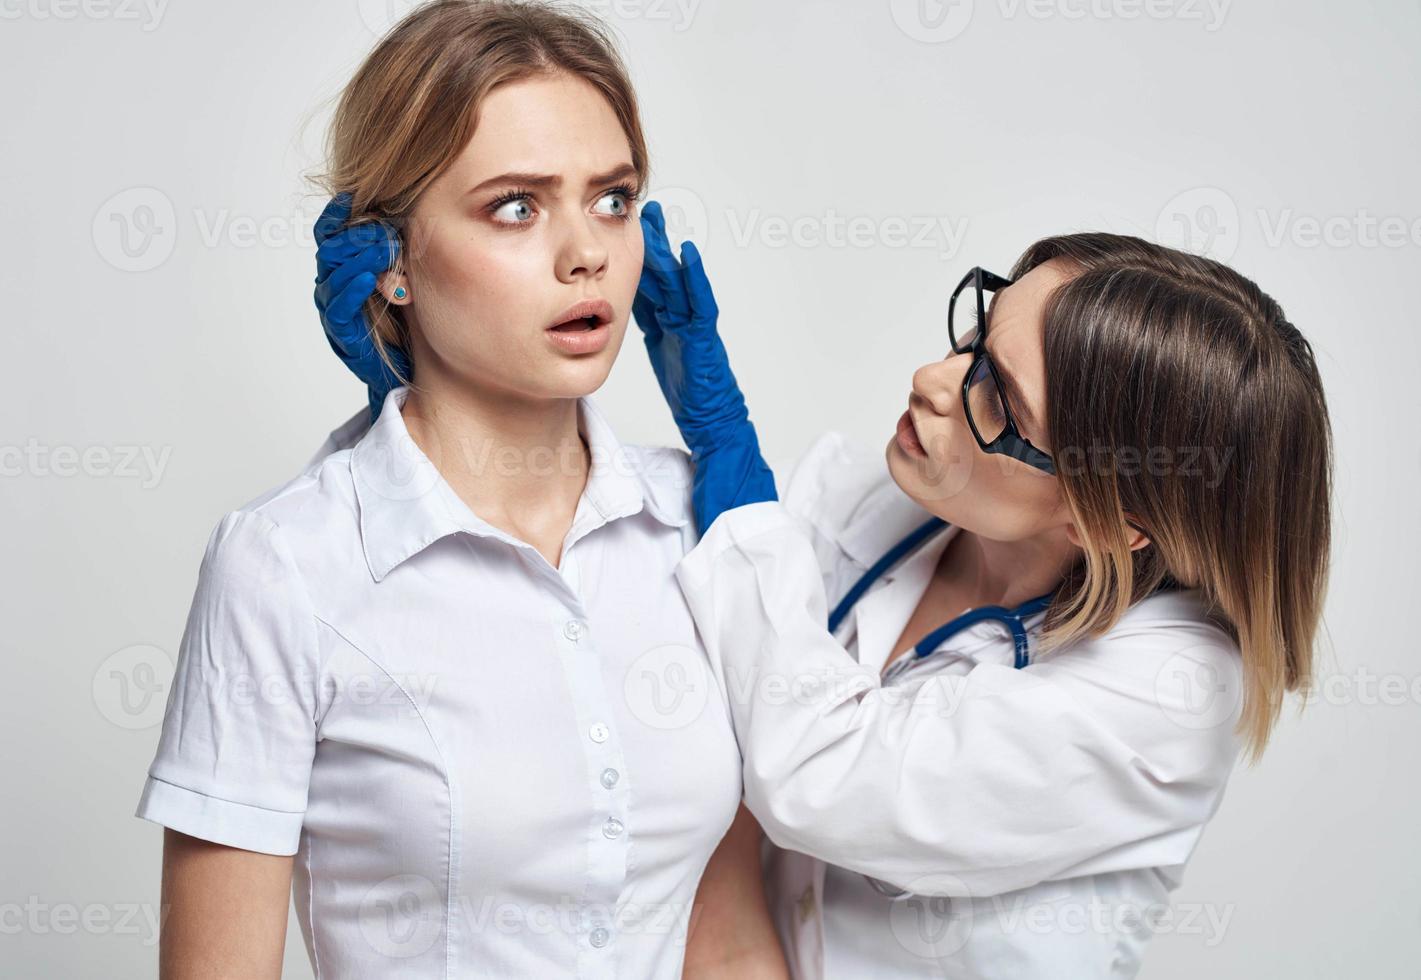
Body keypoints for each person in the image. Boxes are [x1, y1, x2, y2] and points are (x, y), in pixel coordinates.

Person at [318, 204, 1333, 976]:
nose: (934, 380)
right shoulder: (875, 505)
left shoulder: (1163, 697)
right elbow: (619, 619)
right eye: (975, 333)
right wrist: (431, 404)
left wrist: (725, 448)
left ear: (1108, 518)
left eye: (996, 398)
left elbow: (820, 775)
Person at [134, 3, 786, 977]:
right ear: (389, 258)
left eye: (611, 198)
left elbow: (726, 940)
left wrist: (751, 530)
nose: (587, 252)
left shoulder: (695, 527)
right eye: (516, 206)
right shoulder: (288, 563)